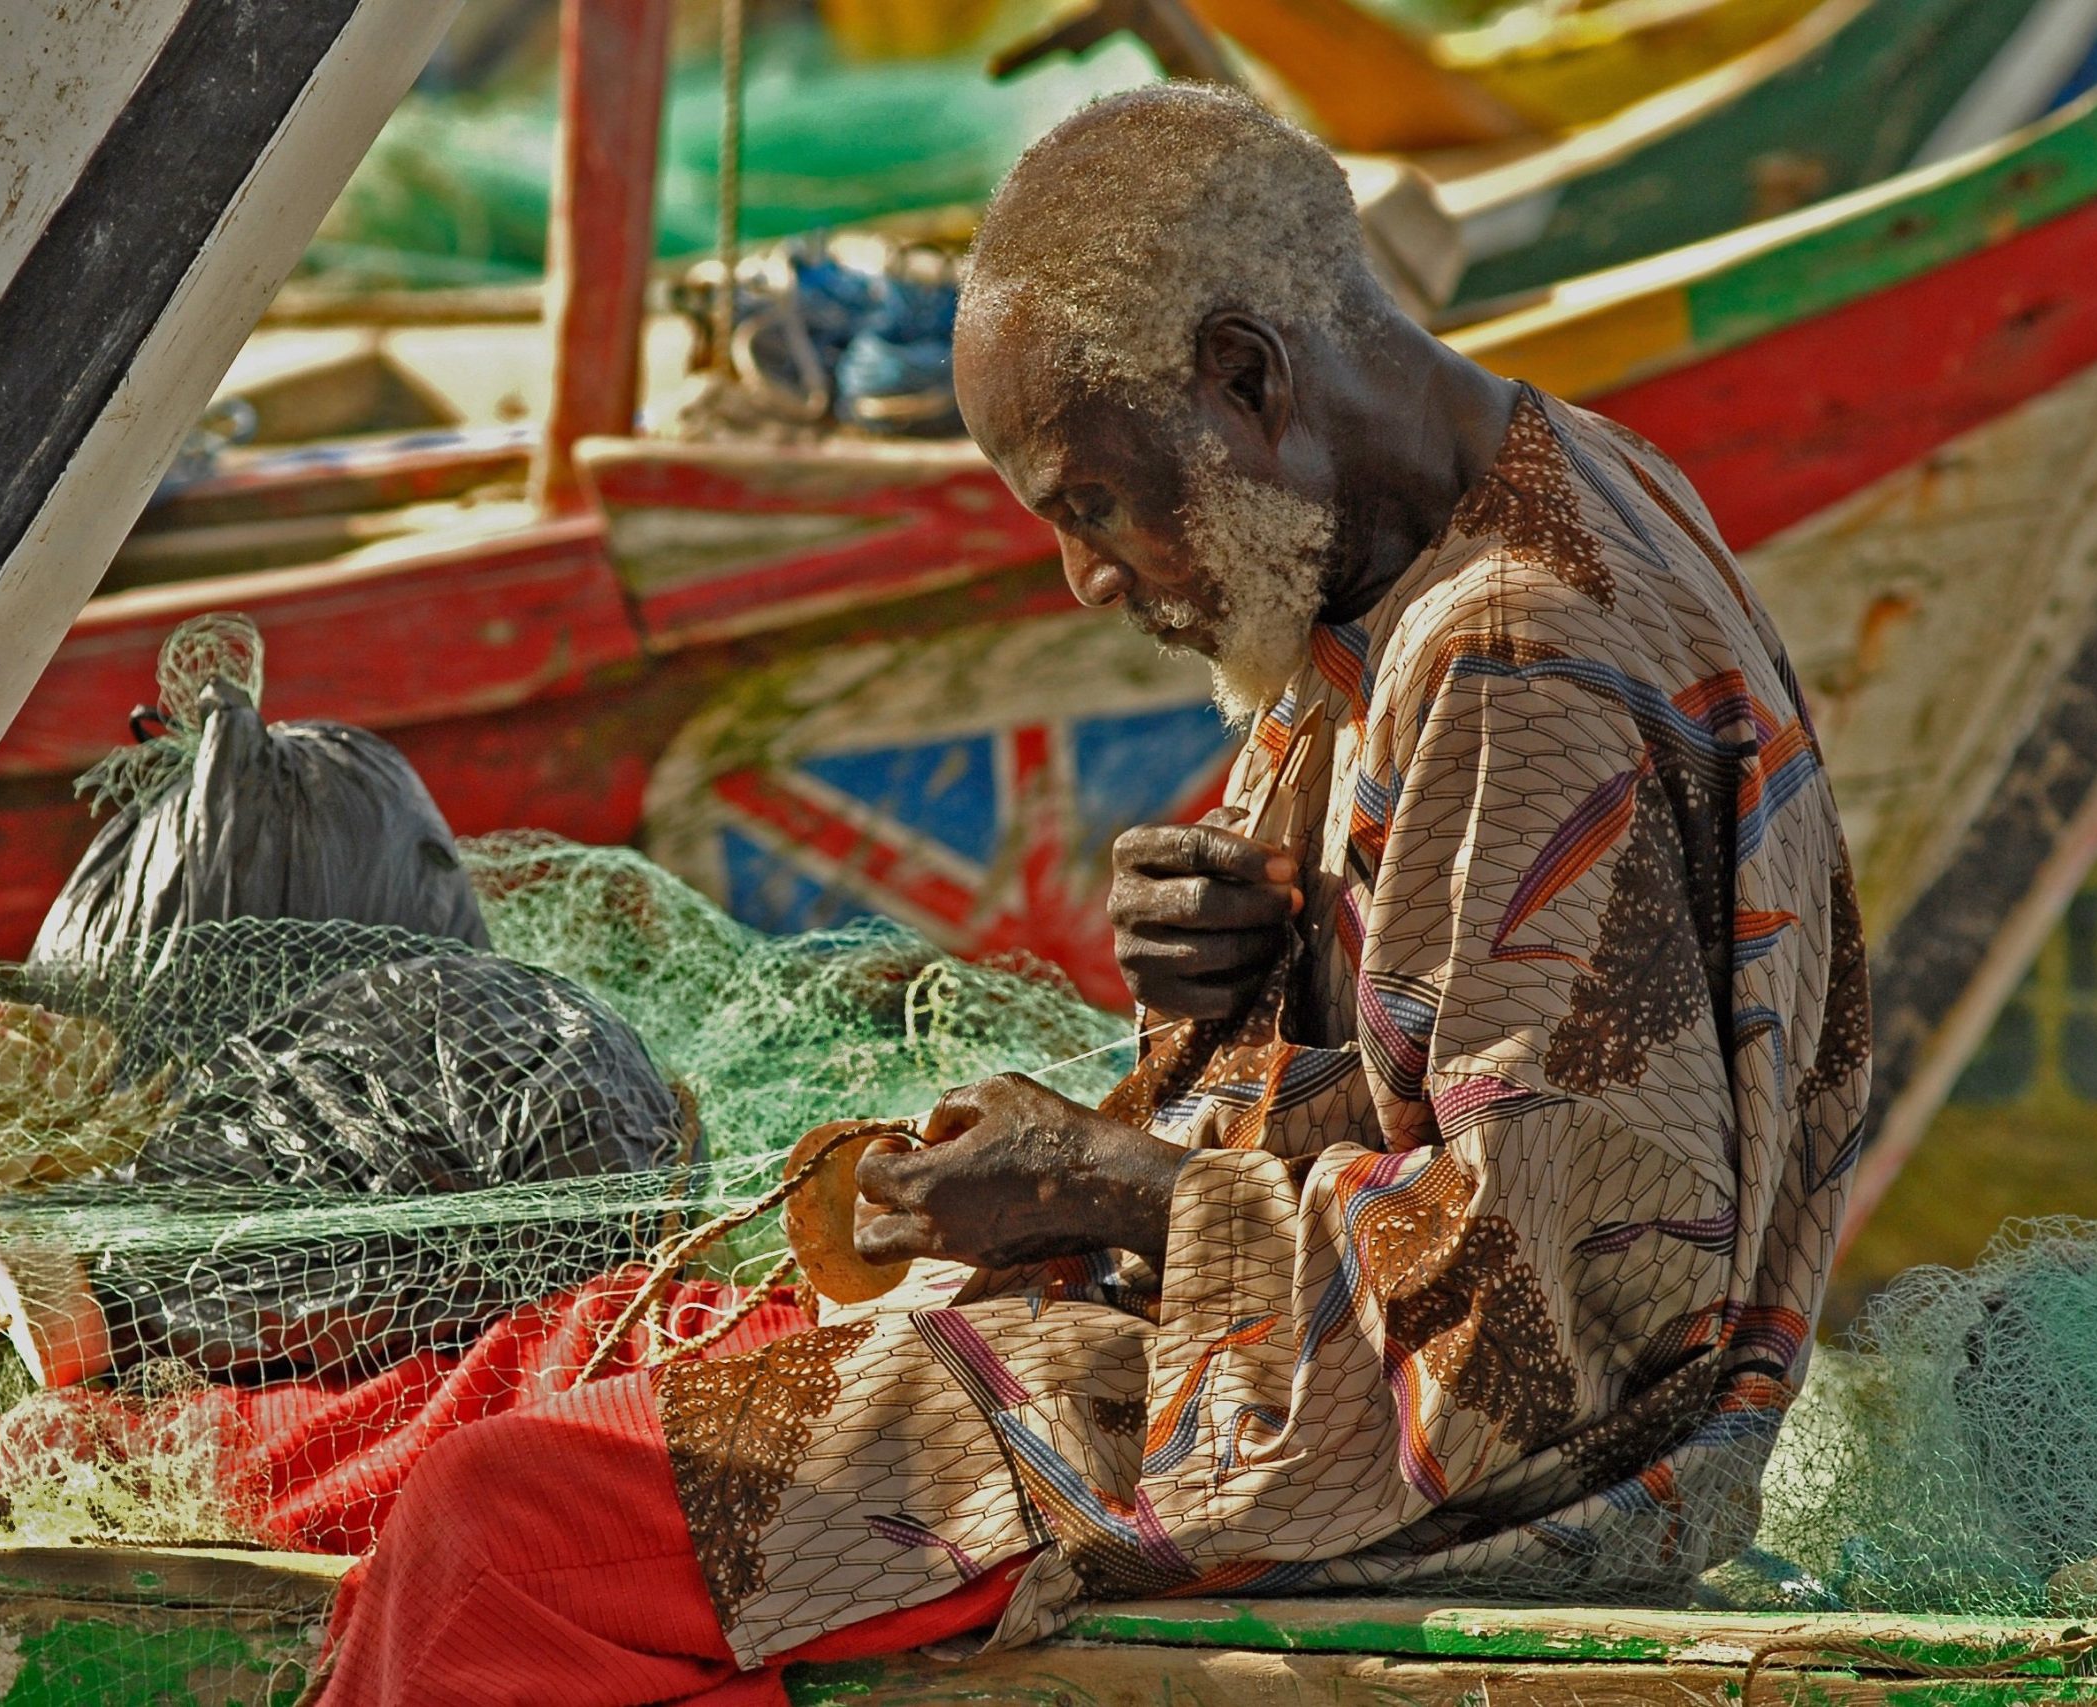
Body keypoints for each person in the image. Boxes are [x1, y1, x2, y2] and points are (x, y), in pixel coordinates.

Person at [306, 83, 1872, 1705]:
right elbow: (1503, 1068)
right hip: (1333, 1356)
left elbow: (1524, 1337)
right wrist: (1231, 983)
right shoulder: (1526, 479)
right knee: (590, 1382)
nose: (1089, 581)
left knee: (500, 1532)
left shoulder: (1508, 663)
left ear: (1249, 380)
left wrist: (1108, 1187)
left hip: (1467, 1472)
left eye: (1092, 506)